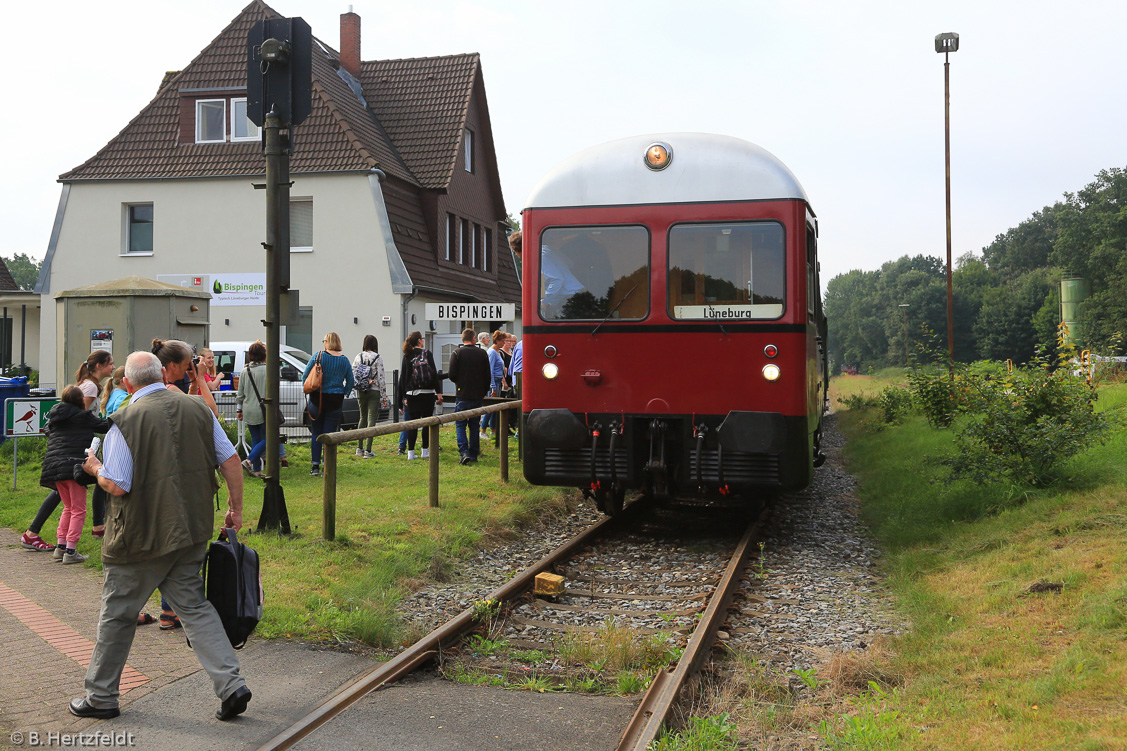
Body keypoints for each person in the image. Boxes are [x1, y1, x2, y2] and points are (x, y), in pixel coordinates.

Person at [72, 351, 249, 722]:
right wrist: (236, 509)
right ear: (162, 374)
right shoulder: (199, 409)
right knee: (195, 608)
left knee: (118, 613)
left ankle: (101, 697)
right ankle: (232, 684)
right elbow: (231, 461)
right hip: (190, 530)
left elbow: (118, 486)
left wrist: (94, 467)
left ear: (126, 383)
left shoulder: (125, 420)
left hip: (140, 536)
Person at [39, 385, 111, 565]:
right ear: (80, 400)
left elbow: (47, 430)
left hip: (53, 467)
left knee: (68, 507)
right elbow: (105, 426)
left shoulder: (54, 417)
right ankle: (71, 551)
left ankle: (60, 547)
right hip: (72, 466)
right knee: (79, 509)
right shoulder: (84, 416)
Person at [303, 332, 354, 476]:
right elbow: (350, 381)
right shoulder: (344, 361)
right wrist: (344, 392)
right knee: (330, 434)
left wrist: (307, 388)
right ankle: (328, 466)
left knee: (316, 433)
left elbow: (305, 375)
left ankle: (315, 467)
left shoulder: (318, 357)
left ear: (327, 342)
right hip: (335, 400)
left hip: (317, 399)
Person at [509, 229, 583, 318]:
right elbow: (570, 263)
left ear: (517, 251)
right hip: (576, 294)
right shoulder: (546, 249)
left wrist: (544, 301)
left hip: (570, 298)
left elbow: (557, 279)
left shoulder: (540, 257)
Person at [447, 328, 490, 466]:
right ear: (474, 338)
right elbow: (487, 375)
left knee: (460, 424)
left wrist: (460, 382)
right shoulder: (482, 354)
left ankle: (463, 452)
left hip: (462, 393)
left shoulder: (456, 353)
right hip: (477, 394)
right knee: (474, 425)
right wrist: (484, 390)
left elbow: (452, 374)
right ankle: (474, 453)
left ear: (462, 339)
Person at [399, 331, 442, 460]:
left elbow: (403, 379)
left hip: (412, 394)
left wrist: (402, 397)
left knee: (413, 424)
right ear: (419, 341)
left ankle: (410, 453)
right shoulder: (427, 353)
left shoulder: (407, 355)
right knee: (426, 423)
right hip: (428, 394)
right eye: (422, 338)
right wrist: (438, 392)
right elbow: (434, 374)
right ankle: (425, 451)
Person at [236, 341, 268, 478]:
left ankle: (257, 469)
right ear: (263, 355)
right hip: (265, 409)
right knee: (269, 438)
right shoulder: (269, 370)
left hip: (248, 408)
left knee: (256, 439)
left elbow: (240, 393)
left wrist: (239, 410)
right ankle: (249, 460)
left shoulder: (245, 371)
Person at [352, 335, 388, 458]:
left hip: (361, 390)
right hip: (374, 390)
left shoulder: (358, 356)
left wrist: (360, 383)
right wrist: (384, 396)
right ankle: (368, 450)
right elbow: (381, 377)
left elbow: (354, 373)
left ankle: (359, 447)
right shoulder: (378, 358)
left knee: (362, 417)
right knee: (371, 417)